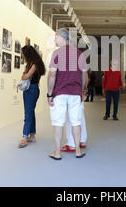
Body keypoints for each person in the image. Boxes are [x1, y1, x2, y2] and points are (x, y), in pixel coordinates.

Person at [47, 28, 87, 160]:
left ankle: (57, 153)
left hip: (59, 93)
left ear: (62, 37)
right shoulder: (79, 54)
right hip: (75, 93)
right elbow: (84, 75)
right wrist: (82, 90)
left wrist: (49, 94)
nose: (54, 40)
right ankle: (78, 151)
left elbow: (52, 75)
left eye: (56, 37)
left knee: (58, 123)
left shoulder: (56, 53)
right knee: (76, 122)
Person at [18, 45, 46, 148]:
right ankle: (32, 135)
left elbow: (26, 76)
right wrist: (24, 74)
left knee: (28, 113)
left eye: (24, 54)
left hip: (31, 90)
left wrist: (24, 75)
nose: (23, 56)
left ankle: (24, 137)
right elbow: (25, 74)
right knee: (31, 112)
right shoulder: (32, 64)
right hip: (31, 89)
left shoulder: (34, 64)